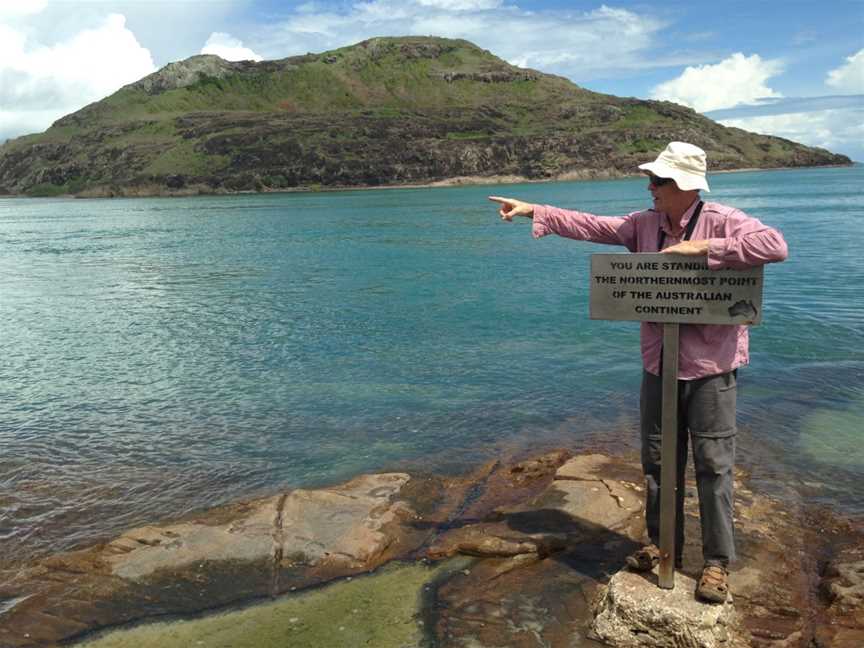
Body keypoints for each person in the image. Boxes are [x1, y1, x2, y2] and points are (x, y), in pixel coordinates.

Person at [488, 142, 788, 604]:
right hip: (658, 364)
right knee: (657, 463)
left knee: (713, 465)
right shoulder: (644, 224)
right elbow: (594, 226)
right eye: (652, 179)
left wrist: (707, 247)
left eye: (660, 181)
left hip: (712, 368)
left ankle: (715, 563)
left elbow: (775, 245)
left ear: (686, 186)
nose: (651, 188)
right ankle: (663, 544)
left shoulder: (725, 219)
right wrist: (534, 210)